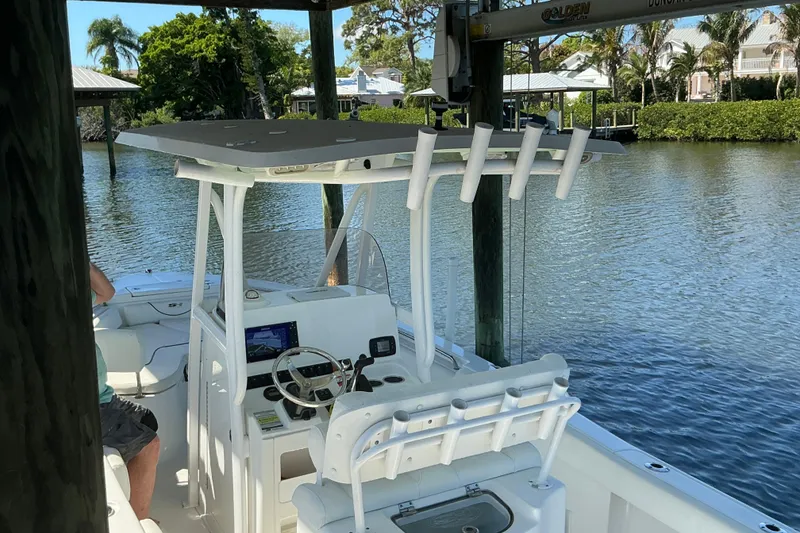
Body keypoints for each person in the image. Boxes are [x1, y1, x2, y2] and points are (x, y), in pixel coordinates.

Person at [91, 262, 160, 520]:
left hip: (104, 396)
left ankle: (131, 487)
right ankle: (138, 521)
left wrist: (81, 260)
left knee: (147, 420)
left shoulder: (67, 294)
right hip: (91, 406)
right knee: (150, 445)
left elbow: (106, 292)